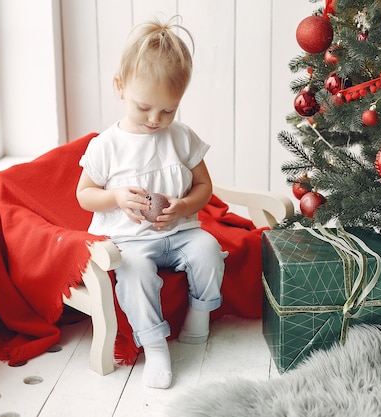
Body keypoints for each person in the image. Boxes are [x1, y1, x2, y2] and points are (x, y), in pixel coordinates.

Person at [75, 16, 226, 389]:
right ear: (120, 88)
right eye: (145, 108)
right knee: (134, 272)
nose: (156, 120)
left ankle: (200, 317)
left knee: (208, 248)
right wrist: (114, 197)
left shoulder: (182, 137)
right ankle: (156, 346)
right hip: (130, 241)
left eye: (168, 110)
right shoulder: (106, 146)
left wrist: (186, 206)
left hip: (180, 233)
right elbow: (84, 196)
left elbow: (205, 186)